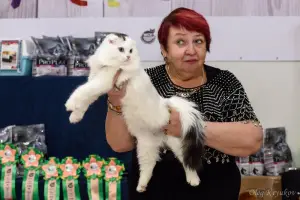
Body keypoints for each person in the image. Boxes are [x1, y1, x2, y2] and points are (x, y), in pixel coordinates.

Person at [105, 7, 263, 200]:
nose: (191, 50)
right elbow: (120, 144)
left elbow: (252, 139)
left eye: (198, 41)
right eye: (180, 42)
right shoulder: (145, 80)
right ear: (164, 49)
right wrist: (115, 101)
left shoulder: (224, 82)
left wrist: (189, 128)